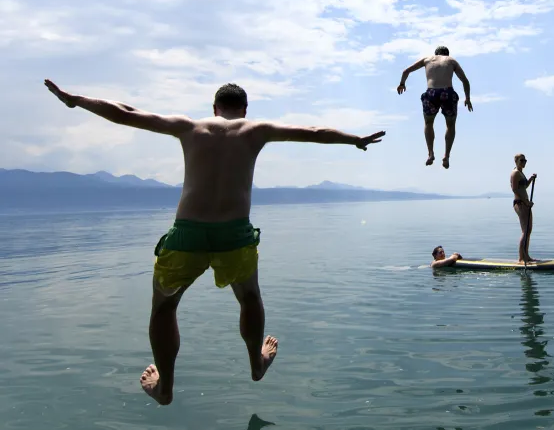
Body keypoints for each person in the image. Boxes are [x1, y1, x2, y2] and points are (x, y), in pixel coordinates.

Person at [44, 79, 385, 406]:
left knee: (164, 307)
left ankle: (165, 387)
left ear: (214, 108)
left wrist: (77, 100)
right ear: (245, 109)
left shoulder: (189, 126)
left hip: (188, 232)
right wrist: (355, 139)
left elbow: (126, 112)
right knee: (249, 297)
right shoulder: (257, 130)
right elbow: (313, 133)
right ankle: (256, 364)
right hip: (234, 233)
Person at [396, 46, 473, 169]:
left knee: (428, 123)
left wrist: (402, 84)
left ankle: (430, 153)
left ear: (435, 54)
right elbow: (465, 81)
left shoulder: (427, 59)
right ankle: (446, 156)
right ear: (447, 54)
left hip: (431, 93)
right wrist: (467, 98)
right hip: (447, 93)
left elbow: (405, 71)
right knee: (450, 125)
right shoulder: (451, 60)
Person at [510, 154, 537, 264]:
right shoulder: (515, 173)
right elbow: (515, 189)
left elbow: (524, 187)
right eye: (521, 160)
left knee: (528, 230)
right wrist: (526, 202)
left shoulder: (521, 172)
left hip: (525, 204)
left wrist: (530, 179)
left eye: (525, 160)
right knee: (525, 231)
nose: (524, 162)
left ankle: (527, 256)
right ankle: (521, 258)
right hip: (520, 203)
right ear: (516, 161)